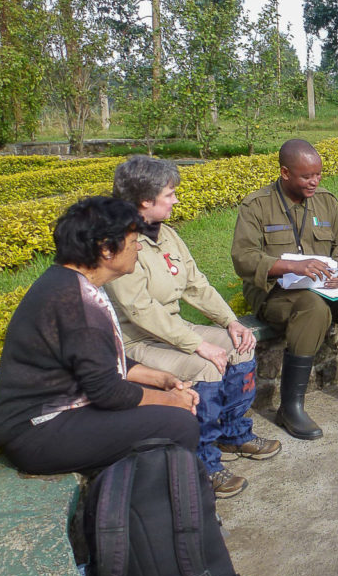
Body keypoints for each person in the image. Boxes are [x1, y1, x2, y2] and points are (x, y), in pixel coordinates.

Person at [107, 156, 281, 500]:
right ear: (146, 201)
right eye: (170, 194)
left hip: (174, 328)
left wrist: (230, 321)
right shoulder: (120, 243)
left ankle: (233, 432)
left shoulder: (167, 235)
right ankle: (202, 462)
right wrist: (197, 345)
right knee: (205, 366)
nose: (176, 200)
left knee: (241, 346)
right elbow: (139, 309)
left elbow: (195, 285)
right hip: (138, 341)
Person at [0, 197, 201, 475]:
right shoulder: (76, 302)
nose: (138, 247)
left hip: (57, 417)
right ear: (106, 249)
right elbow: (108, 392)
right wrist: (172, 400)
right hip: (39, 430)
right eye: (133, 240)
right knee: (178, 423)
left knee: (169, 411)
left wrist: (162, 380)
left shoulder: (71, 282)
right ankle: (159, 511)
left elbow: (104, 362)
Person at [231, 138, 338, 440]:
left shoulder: (325, 200)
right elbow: (243, 258)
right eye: (306, 176)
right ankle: (290, 407)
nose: (314, 181)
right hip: (277, 293)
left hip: (324, 287)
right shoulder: (257, 206)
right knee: (312, 307)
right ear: (285, 173)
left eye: (318, 174)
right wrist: (292, 267)